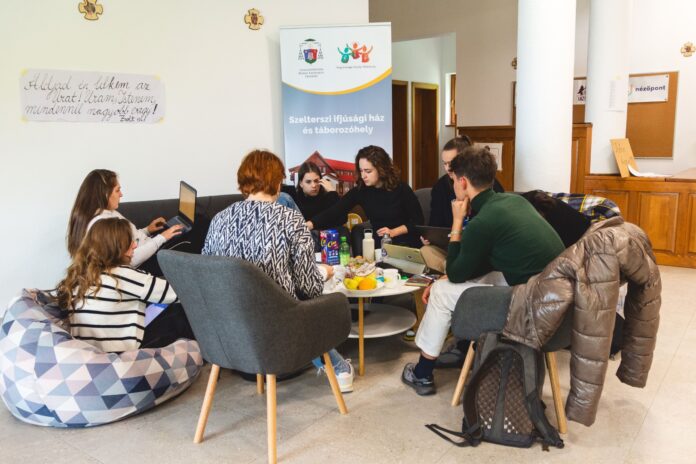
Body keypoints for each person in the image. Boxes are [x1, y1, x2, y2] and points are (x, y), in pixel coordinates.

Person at [401, 147, 565, 395]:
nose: (453, 185)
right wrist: (449, 276)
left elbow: (456, 272)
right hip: (552, 295)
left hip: (530, 305)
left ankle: (422, 373)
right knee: (454, 282)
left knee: (442, 292)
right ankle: (460, 348)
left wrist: (457, 222)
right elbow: (485, 263)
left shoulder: (483, 220)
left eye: (454, 180)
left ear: (463, 182)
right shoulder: (515, 201)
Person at [202, 149, 354, 392]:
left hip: (228, 330)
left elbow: (207, 274)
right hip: (278, 331)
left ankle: (336, 367)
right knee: (325, 301)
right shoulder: (291, 220)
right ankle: (339, 368)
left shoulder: (218, 220)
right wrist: (324, 272)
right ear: (277, 182)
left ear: (243, 182)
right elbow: (309, 288)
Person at [56, 217, 194, 353]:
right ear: (115, 247)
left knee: (157, 303)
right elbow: (184, 293)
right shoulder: (121, 275)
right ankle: (201, 356)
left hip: (92, 348)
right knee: (178, 311)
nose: (135, 245)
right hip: (119, 352)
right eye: (130, 242)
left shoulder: (81, 273)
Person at [307, 145, 424, 255]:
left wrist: (393, 232)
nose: (363, 176)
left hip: (405, 243)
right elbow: (336, 210)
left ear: (382, 169)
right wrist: (310, 224)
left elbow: (418, 221)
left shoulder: (402, 188)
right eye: (361, 170)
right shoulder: (361, 190)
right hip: (380, 245)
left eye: (368, 171)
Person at [66, 169, 183, 273]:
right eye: (117, 190)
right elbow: (130, 260)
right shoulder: (102, 224)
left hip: (150, 246)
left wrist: (148, 230)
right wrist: (162, 238)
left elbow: (129, 238)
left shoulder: (107, 212)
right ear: (105, 194)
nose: (121, 194)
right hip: (146, 260)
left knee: (184, 228)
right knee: (189, 235)